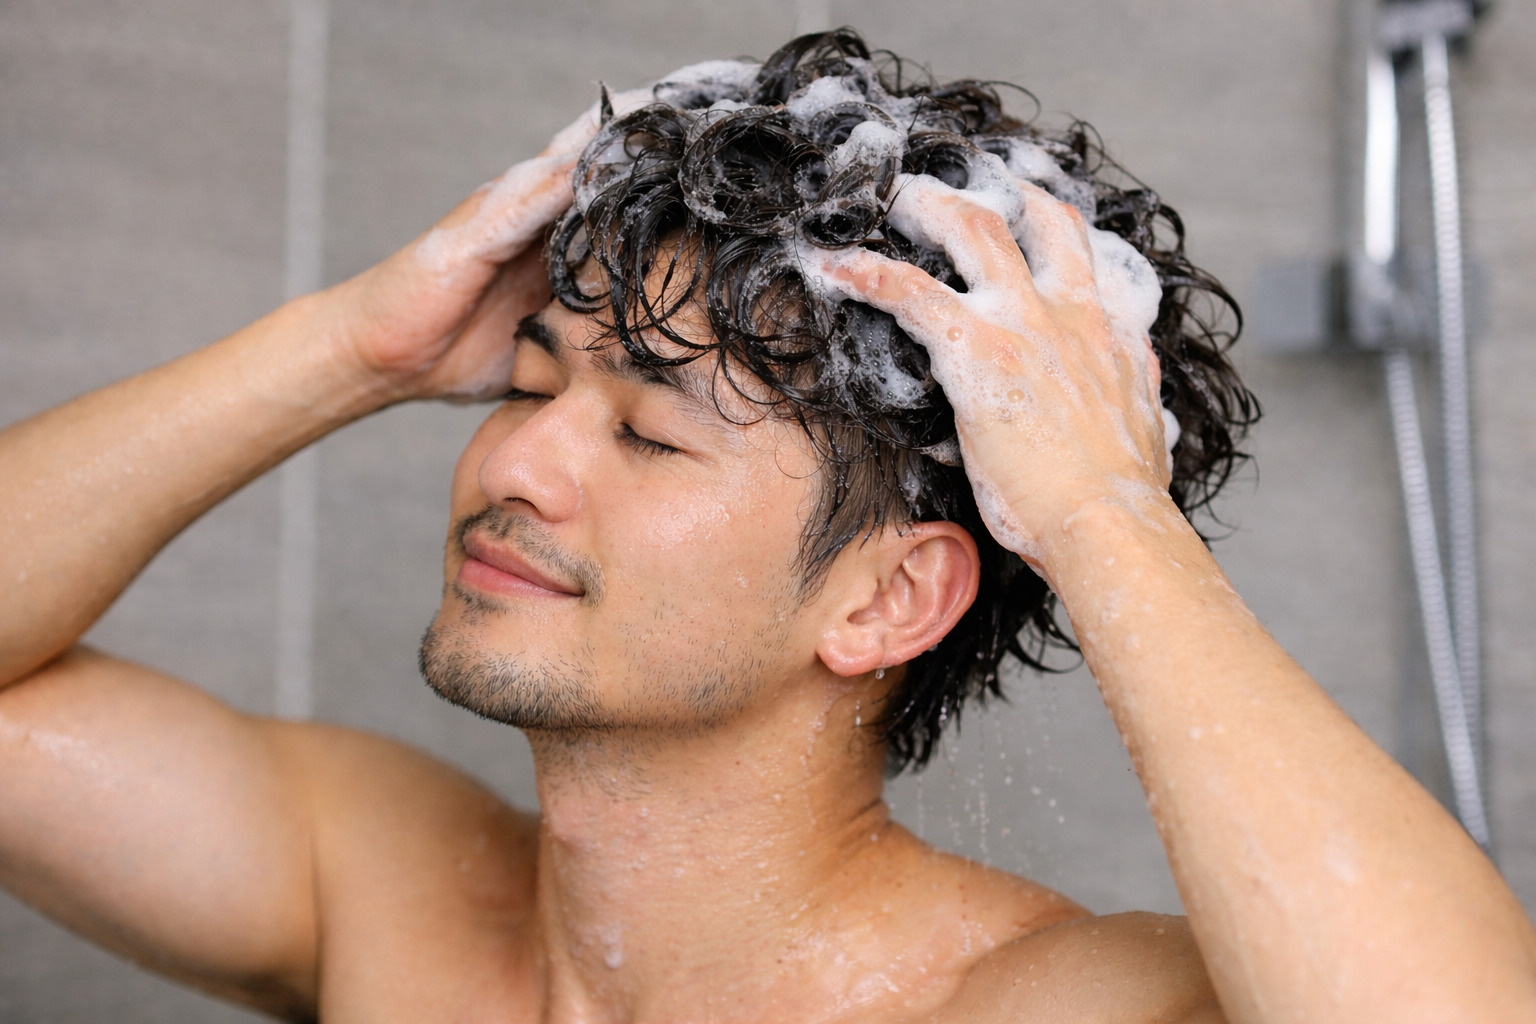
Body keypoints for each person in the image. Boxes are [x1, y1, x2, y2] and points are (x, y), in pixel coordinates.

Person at [1, 27, 1532, 1023]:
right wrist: (356, 348)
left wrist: (1096, 509)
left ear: (883, 601)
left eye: (648, 435)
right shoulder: (384, 893)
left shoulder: (1022, 1005)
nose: (517, 462)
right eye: (526, 385)